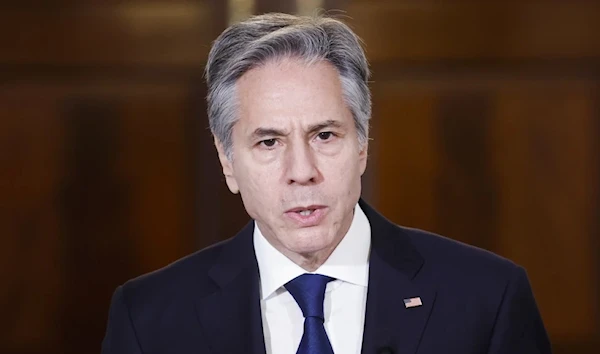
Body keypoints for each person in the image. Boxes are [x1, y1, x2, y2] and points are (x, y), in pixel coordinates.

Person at [101, 12, 552, 354]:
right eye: (269, 142)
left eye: (324, 135)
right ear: (227, 162)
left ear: (362, 144)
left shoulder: (488, 299)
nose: (302, 170)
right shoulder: (149, 319)